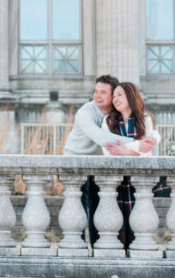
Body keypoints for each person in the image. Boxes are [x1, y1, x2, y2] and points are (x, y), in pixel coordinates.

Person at [62, 75, 156, 244]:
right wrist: (138, 144)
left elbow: (145, 124)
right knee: (80, 210)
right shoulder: (85, 112)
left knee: (100, 208)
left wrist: (151, 140)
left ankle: (98, 247)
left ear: (113, 96)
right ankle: (79, 249)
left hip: (100, 165)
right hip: (77, 163)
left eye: (103, 92)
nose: (97, 96)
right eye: (95, 91)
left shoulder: (115, 113)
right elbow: (100, 138)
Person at [101, 82, 161, 248]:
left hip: (139, 182)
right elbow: (108, 151)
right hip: (116, 183)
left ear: (131, 95)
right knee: (117, 226)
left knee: (139, 225)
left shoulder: (145, 119)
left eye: (120, 94)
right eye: (113, 96)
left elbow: (147, 151)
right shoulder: (108, 121)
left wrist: (125, 150)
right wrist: (136, 148)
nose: (115, 99)